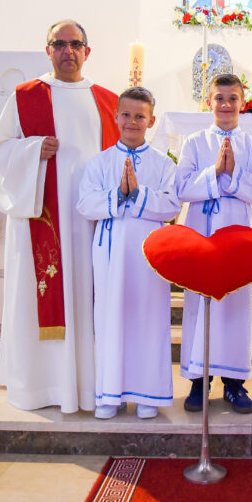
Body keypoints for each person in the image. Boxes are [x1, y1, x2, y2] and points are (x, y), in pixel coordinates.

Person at [0, 20, 119, 412]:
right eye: (59, 44)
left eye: (75, 44)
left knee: (89, 294)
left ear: (87, 51)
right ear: (47, 50)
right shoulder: (26, 96)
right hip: (44, 219)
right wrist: (30, 150)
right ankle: (40, 384)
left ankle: (92, 384)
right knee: (43, 293)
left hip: (91, 223)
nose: (67, 51)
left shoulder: (108, 101)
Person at [76, 87, 181, 420]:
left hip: (149, 256)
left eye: (140, 116)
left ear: (151, 120)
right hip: (111, 253)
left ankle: (148, 392)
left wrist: (138, 193)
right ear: (116, 116)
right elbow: (85, 204)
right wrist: (118, 195)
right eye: (126, 115)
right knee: (111, 319)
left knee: (148, 319)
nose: (132, 121)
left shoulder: (163, 164)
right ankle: (112, 393)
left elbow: (171, 205)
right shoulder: (100, 162)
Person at [175, 73, 252, 414]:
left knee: (235, 304)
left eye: (232, 98)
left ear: (243, 102)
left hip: (238, 232)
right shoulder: (194, 142)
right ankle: (199, 380)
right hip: (202, 231)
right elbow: (181, 188)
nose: (226, 104)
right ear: (208, 102)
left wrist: (234, 175)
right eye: (219, 98)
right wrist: (214, 172)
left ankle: (234, 382)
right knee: (199, 303)